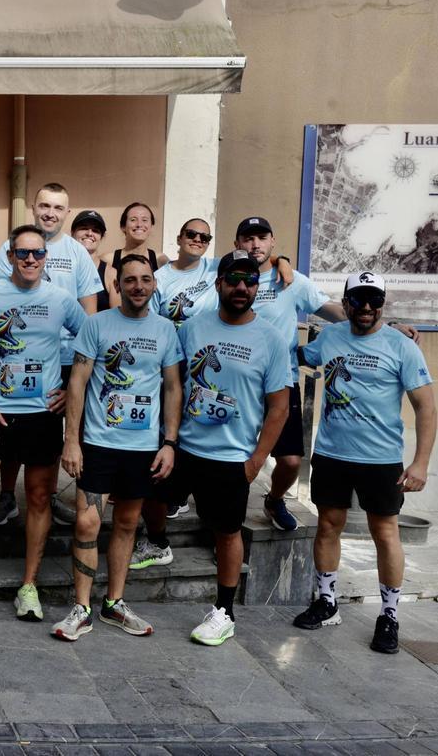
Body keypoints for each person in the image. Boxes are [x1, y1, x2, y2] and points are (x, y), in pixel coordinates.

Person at [234, 216, 417, 534]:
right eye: (248, 239)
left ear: (273, 241)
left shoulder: (292, 281)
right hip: (237, 381)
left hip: (281, 383)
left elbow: (335, 311)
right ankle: (225, 516)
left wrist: (386, 326)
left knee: (291, 461)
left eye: (262, 238)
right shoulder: (228, 276)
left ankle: (274, 499)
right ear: (237, 243)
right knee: (232, 455)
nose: (255, 244)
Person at [293, 272, 436, 655]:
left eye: (375, 300)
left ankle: (389, 615)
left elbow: (426, 407)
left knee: (385, 533)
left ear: (383, 304)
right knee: (328, 526)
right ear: (346, 303)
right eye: (359, 299)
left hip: (381, 459)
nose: (367, 307)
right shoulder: (330, 337)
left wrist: (420, 463)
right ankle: (327, 602)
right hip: (332, 454)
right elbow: (296, 355)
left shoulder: (402, 346)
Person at [0, 226, 86, 623]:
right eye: (22, 253)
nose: (30, 259)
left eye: (37, 253)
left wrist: (71, 389)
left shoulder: (61, 299)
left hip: (42, 415)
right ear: (9, 256)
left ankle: (29, 583)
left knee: (39, 499)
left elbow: (91, 343)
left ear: (46, 257)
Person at [54, 255, 182, 641]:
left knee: (127, 524)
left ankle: (114, 603)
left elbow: (173, 387)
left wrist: (169, 443)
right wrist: (71, 440)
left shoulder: (165, 330)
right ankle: (81, 607)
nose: (138, 286)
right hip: (99, 444)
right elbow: (77, 382)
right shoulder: (96, 324)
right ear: (117, 285)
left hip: (142, 448)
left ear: (154, 285)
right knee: (87, 522)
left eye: (145, 279)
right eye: (130, 280)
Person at [167, 250, 289, 646]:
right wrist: (168, 439)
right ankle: (156, 543)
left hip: (232, 457)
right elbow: (174, 383)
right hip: (185, 447)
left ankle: (224, 611)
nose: (241, 287)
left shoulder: (271, 338)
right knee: (148, 501)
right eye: (233, 279)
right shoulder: (192, 328)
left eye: (249, 281)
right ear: (218, 283)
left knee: (227, 532)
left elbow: (280, 407)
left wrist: (257, 460)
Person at [0, 184, 102, 527]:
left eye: (58, 207)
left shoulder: (77, 253)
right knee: (10, 423)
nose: (50, 213)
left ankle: (47, 496)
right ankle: (7, 495)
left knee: (52, 432)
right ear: (34, 208)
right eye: (45, 206)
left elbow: (89, 319)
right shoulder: (9, 248)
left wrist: (74, 382)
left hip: (66, 361)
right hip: (16, 356)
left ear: (67, 212)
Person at [100, 203, 168, 309]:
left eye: (145, 220)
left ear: (151, 226)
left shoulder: (161, 260)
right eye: (133, 220)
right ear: (123, 227)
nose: (139, 224)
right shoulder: (108, 259)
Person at [69, 210, 110, 312]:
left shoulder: (110, 273)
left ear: (102, 237)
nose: (89, 233)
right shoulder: (60, 268)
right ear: (72, 232)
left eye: (95, 230)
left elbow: (117, 317)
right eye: (83, 228)